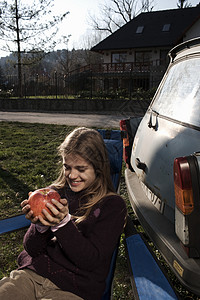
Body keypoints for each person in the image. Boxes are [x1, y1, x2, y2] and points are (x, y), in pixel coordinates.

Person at [0, 127, 127, 300]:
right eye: (67, 167)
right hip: (31, 276)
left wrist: (62, 225)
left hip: (73, 290)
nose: (72, 175)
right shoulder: (55, 193)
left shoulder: (112, 206)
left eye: (81, 169)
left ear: (98, 168)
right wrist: (39, 226)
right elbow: (32, 249)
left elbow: (90, 261)